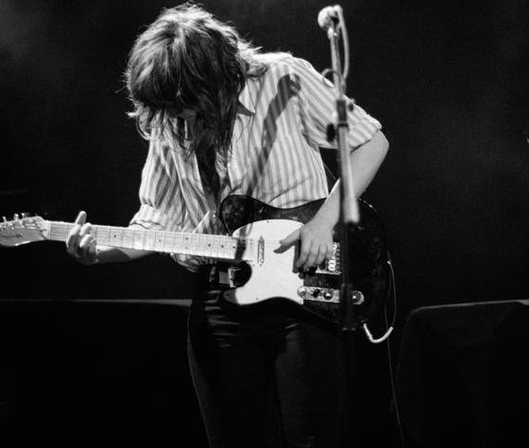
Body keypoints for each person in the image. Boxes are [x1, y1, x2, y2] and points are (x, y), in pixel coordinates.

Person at [66, 3, 389, 447]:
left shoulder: (283, 78)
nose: (180, 116)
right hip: (221, 300)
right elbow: (154, 221)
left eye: (184, 103)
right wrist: (97, 253)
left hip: (304, 287)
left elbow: (370, 142)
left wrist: (322, 223)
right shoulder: (169, 122)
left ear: (212, 76)